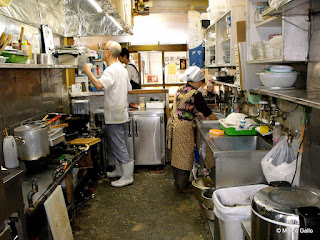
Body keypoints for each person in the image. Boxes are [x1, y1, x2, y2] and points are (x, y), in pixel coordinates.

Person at [82, 41, 134, 188]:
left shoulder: (111, 70)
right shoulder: (122, 69)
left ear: (109, 52)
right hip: (121, 112)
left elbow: (99, 86)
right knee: (118, 144)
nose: (102, 52)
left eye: (104, 50)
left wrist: (88, 72)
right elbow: (128, 88)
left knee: (118, 145)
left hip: (115, 115)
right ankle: (119, 170)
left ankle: (127, 177)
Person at [167, 66, 218, 192]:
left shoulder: (180, 89)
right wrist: (218, 121)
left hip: (174, 124)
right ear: (196, 81)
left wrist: (195, 112)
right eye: (201, 82)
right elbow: (207, 112)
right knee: (184, 157)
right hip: (183, 128)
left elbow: (184, 107)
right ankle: (182, 187)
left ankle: (178, 183)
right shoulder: (196, 94)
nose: (201, 84)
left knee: (177, 156)